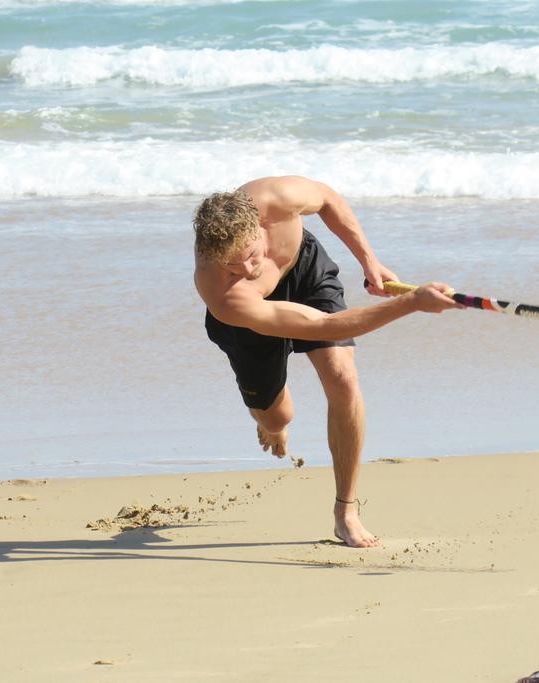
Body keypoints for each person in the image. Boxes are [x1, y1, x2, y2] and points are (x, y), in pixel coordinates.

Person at [193, 176, 459, 548]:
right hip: (250, 318)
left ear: (259, 225)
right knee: (277, 417)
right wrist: (411, 302)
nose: (248, 269)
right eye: (233, 266)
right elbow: (322, 325)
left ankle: (345, 512)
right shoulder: (223, 291)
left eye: (252, 255)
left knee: (343, 378)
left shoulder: (276, 197)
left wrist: (370, 261)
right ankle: (270, 422)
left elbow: (330, 200)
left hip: (303, 268)